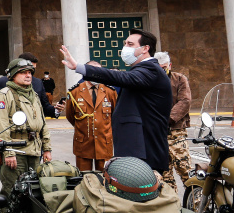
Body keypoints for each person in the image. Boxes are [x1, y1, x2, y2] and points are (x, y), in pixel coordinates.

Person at [60, 29, 173, 173]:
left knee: (143, 193)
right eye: (125, 43)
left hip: (144, 153)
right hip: (137, 153)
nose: (125, 48)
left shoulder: (150, 70)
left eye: (130, 44)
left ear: (145, 48)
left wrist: (80, 67)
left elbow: (121, 78)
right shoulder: (141, 70)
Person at [0, 58, 52, 202]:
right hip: (16, 152)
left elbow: (42, 124)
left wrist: (47, 148)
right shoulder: (4, 95)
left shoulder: (34, 96)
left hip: (35, 151)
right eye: (23, 72)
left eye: (30, 72)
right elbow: (0, 126)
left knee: (33, 192)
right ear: (12, 75)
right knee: (12, 192)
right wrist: (9, 152)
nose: (28, 75)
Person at [57, 60, 117, 171]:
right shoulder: (75, 92)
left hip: (104, 142)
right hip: (83, 143)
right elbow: (70, 116)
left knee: (104, 176)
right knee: (84, 177)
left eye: (99, 71)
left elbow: (114, 115)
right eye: (92, 71)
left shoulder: (110, 91)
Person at [155, 52, 192, 190]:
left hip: (176, 131)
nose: (161, 71)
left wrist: (167, 119)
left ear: (169, 65)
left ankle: (197, 204)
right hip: (157, 134)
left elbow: (185, 101)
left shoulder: (179, 79)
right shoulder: (150, 80)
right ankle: (172, 206)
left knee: (185, 170)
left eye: (164, 67)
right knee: (164, 175)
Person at [0, 52, 57, 118]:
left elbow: (44, 106)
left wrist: (56, 110)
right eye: (25, 71)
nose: (30, 74)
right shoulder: (3, 82)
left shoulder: (38, 83)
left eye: (31, 70)